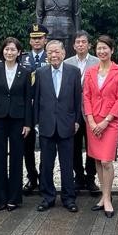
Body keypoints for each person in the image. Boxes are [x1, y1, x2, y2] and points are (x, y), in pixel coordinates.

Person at [32, 40, 83, 212]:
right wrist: (36, 122)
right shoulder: (40, 73)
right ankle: (48, 197)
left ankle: (69, 198)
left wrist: (77, 120)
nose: (53, 55)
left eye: (57, 52)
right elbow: (36, 100)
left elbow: (78, 99)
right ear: (46, 54)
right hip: (46, 125)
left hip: (67, 124)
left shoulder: (74, 72)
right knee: (46, 164)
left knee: (67, 164)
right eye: (50, 52)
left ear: (63, 53)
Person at [0, 36, 32, 211]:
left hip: (18, 119)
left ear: (19, 52)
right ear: (2, 51)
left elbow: (28, 99)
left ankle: (14, 198)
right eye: (6, 49)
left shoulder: (26, 72)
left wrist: (28, 122)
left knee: (16, 157)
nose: (9, 52)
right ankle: (0, 198)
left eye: (13, 49)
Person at [83, 36, 118, 218]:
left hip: (109, 122)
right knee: (97, 159)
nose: (102, 51)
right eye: (99, 48)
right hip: (93, 122)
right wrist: (92, 120)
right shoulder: (90, 71)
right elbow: (86, 96)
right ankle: (103, 195)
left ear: (112, 50)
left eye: (105, 48)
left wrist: (105, 121)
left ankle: (108, 198)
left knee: (106, 161)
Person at [65, 30, 98, 195]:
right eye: (77, 42)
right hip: (73, 110)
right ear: (73, 45)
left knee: (92, 145)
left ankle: (91, 177)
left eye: (83, 42)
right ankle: (78, 176)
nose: (80, 45)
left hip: (93, 111)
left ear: (89, 44)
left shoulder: (98, 62)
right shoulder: (68, 62)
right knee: (74, 146)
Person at [20, 23, 49, 193]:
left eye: (39, 38)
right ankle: (32, 177)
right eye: (33, 38)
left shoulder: (51, 56)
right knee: (27, 147)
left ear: (45, 40)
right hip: (27, 109)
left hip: (46, 108)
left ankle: (45, 178)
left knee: (46, 146)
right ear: (30, 41)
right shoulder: (22, 58)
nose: (36, 41)